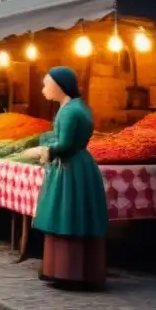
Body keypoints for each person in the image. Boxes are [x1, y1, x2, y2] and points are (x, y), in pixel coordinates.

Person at [32, 66, 109, 289]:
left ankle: (67, 270)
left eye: (47, 84)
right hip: (79, 165)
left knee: (67, 212)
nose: (44, 89)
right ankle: (78, 270)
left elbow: (64, 143)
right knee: (78, 213)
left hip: (70, 167)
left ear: (58, 86)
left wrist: (45, 149)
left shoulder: (69, 111)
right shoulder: (76, 107)